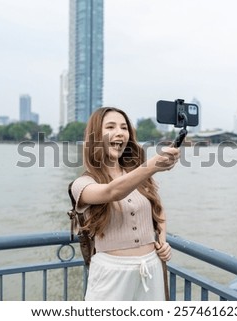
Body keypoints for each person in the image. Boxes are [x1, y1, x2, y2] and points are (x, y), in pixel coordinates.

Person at [71, 107, 180, 301]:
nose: (120, 132)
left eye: (124, 127)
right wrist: (153, 165)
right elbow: (112, 192)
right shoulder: (82, 184)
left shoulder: (140, 176)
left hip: (151, 267)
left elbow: (159, 210)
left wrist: (162, 240)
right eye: (110, 126)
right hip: (111, 273)